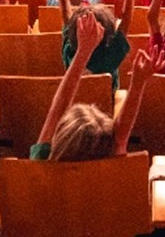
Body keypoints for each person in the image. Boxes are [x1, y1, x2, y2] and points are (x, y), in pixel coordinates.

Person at [30, 12, 156, 160]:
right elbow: (119, 139)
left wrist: (83, 51)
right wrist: (137, 84)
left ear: (57, 139)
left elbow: (59, 106)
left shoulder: (41, 162)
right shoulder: (115, 163)